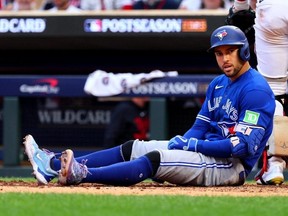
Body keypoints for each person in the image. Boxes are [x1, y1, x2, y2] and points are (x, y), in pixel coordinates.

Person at [23, 25, 275, 187]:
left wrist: (193, 146)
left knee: (156, 158)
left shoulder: (255, 89)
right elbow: (200, 127)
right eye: (219, 53)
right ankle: (53, 165)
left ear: (244, 52)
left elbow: (240, 147)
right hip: (207, 152)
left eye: (230, 51)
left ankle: (83, 174)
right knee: (134, 147)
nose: (224, 58)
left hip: (231, 167)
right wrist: (185, 143)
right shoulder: (218, 84)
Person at [229, 0, 288, 185]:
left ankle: (275, 164)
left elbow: (241, 6)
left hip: (273, 10)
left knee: (275, 92)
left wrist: (240, 7)